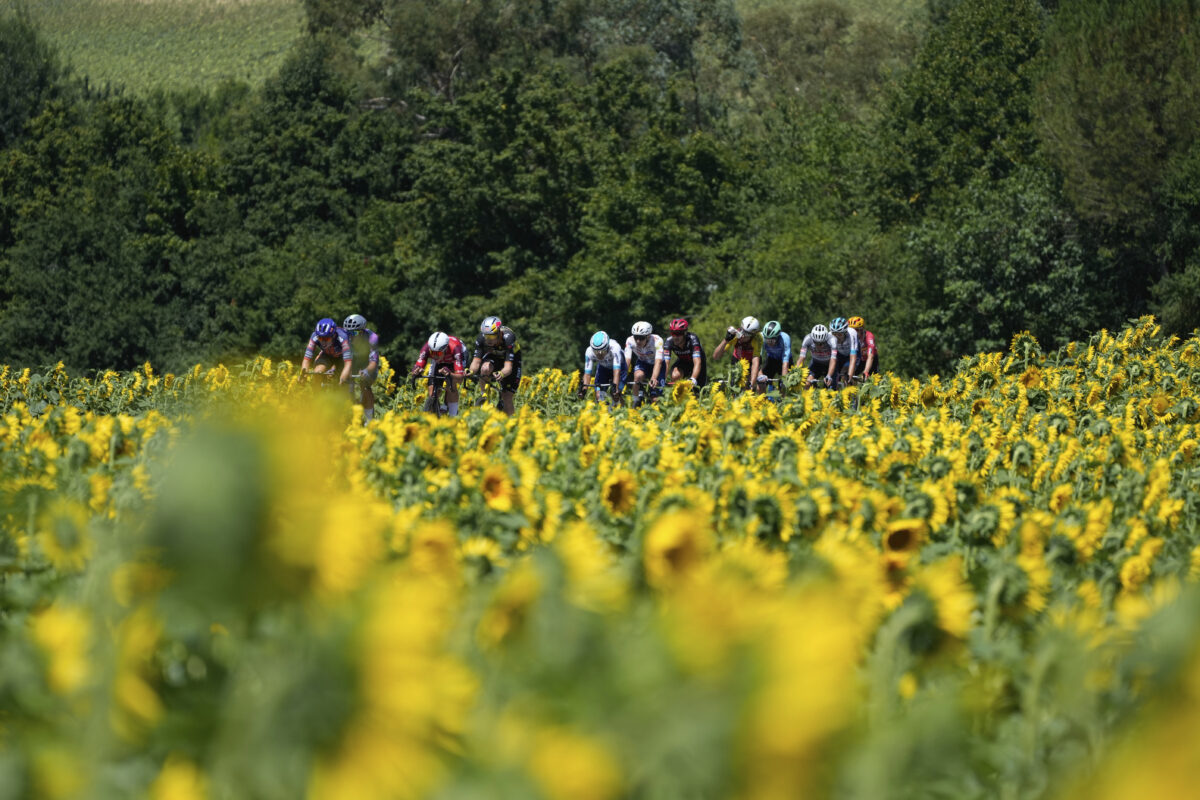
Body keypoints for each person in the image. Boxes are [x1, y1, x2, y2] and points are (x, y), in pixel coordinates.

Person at [468, 315, 522, 415]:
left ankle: (511, 423)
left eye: (492, 336)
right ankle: (484, 395)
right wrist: (470, 371)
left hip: (511, 361)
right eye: (486, 336)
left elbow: (508, 368)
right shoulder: (481, 339)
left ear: (499, 333)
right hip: (494, 357)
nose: (488, 340)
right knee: (484, 368)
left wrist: (501, 373)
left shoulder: (509, 338)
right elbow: (476, 362)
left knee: (507, 396)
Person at [409, 331, 468, 416]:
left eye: (438, 353)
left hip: (456, 358)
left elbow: (460, 378)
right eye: (432, 353)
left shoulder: (455, 348)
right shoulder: (428, 348)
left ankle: (453, 415)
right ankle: (436, 411)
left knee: (452, 383)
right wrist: (416, 370)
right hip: (441, 361)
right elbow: (418, 364)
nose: (435, 356)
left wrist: (450, 375)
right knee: (432, 390)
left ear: (445, 349)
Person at [342, 314, 380, 422]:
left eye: (354, 333)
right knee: (346, 386)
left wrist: (366, 371)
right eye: (348, 333)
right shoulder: (344, 337)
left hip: (367, 363)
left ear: (362, 331)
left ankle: (369, 421)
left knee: (365, 385)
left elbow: (374, 362)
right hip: (352, 361)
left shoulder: (372, 338)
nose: (351, 336)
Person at [712, 316, 763, 389]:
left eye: (746, 334)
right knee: (734, 385)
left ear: (753, 335)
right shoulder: (735, 336)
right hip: (737, 359)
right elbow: (716, 356)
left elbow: (755, 362)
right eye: (742, 331)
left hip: (751, 360)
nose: (742, 335)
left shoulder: (757, 339)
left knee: (757, 384)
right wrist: (726, 340)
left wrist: (751, 384)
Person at [624, 321, 665, 406]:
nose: (638, 341)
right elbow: (627, 361)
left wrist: (654, 378)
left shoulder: (657, 341)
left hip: (657, 364)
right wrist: (622, 377)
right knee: (638, 376)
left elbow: (658, 362)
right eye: (636, 337)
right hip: (643, 362)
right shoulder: (630, 341)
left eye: (641, 338)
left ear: (648, 336)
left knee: (655, 399)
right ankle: (635, 401)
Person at [301, 318, 353, 384]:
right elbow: (307, 359)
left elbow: (348, 364)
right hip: (327, 354)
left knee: (343, 381)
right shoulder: (314, 336)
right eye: (320, 338)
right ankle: (316, 393)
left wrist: (342, 381)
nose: (323, 342)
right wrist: (303, 376)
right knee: (317, 373)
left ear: (333, 336)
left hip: (342, 357)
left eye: (326, 338)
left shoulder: (343, 337)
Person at [580, 331, 626, 403]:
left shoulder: (615, 348)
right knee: (599, 395)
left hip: (619, 368)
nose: (599, 355)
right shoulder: (589, 351)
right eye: (596, 352)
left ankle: (624, 410)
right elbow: (587, 374)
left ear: (607, 347)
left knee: (616, 395)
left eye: (602, 351)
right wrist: (584, 389)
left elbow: (617, 372)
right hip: (603, 368)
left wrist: (615, 389)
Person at [662, 318, 707, 389]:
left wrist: (693, 379)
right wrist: (662, 379)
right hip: (683, 362)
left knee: (699, 391)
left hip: (697, 363)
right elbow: (666, 363)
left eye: (679, 334)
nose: (675, 337)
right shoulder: (669, 341)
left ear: (685, 333)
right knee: (675, 376)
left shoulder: (693, 339)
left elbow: (697, 362)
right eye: (673, 333)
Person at [796, 324, 835, 388]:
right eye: (816, 342)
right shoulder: (808, 339)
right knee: (807, 384)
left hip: (829, 364)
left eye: (822, 343)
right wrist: (796, 372)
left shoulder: (832, 340)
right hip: (816, 364)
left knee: (830, 387)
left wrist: (829, 375)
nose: (819, 346)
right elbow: (801, 358)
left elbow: (833, 360)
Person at [757, 320, 791, 394]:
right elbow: (758, 358)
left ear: (777, 337)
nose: (769, 343)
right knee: (760, 384)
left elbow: (785, 364)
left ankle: (783, 403)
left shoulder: (785, 339)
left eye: (772, 341)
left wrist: (784, 380)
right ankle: (762, 403)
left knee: (784, 387)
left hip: (784, 361)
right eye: (767, 340)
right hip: (771, 359)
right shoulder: (761, 337)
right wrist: (760, 374)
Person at [828, 317, 858, 387]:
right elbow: (830, 358)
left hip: (851, 355)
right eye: (834, 334)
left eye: (840, 334)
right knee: (833, 377)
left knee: (846, 375)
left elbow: (853, 359)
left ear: (845, 333)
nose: (837, 337)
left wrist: (850, 376)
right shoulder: (829, 336)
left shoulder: (852, 333)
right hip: (839, 355)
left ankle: (852, 392)